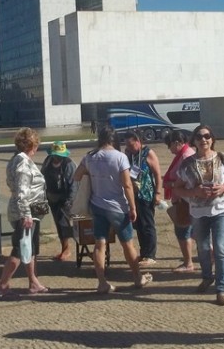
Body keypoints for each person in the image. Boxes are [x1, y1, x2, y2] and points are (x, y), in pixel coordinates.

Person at [73, 125, 153, 293]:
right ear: (114, 139)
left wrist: (94, 175)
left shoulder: (90, 156)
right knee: (127, 244)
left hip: (97, 205)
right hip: (117, 206)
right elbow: (126, 184)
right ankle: (137, 277)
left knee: (99, 244)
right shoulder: (120, 157)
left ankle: (102, 282)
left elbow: (77, 175)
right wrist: (132, 207)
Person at [172, 125, 224, 306]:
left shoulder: (223, 158)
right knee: (202, 248)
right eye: (199, 137)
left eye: (207, 136)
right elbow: (176, 188)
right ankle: (207, 277)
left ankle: (221, 288)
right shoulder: (187, 164)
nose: (204, 140)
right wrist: (194, 191)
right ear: (194, 141)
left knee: (220, 247)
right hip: (198, 213)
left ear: (212, 138)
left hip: (220, 210)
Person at [0, 127, 49, 298]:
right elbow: (22, 192)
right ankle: (2, 285)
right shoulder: (23, 164)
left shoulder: (15, 160)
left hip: (29, 211)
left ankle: (33, 282)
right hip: (26, 212)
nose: (37, 148)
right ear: (32, 145)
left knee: (29, 248)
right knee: (20, 248)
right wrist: (26, 214)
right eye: (36, 145)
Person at [123, 132, 162, 266]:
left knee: (147, 225)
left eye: (131, 145)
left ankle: (150, 255)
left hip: (146, 193)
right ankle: (144, 253)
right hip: (133, 195)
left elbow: (157, 174)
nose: (129, 147)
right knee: (138, 225)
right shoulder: (128, 154)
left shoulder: (148, 153)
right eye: (127, 145)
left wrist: (158, 192)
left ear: (138, 142)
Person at [162, 130, 196, 272]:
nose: (169, 149)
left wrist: (171, 184)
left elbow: (188, 179)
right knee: (194, 231)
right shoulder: (183, 154)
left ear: (177, 143)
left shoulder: (186, 156)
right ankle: (208, 258)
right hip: (184, 198)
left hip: (185, 200)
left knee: (183, 231)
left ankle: (188, 263)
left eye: (169, 145)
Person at [40, 141, 77, 261]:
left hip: (65, 198)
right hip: (52, 197)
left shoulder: (69, 164)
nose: (58, 157)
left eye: (60, 155)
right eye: (56, 155)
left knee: (63, 222)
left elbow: (73, 184)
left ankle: (67, 249)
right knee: (58, 222)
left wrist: (70, 201)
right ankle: (64, 248)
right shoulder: (47, 162)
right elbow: (42, 177)